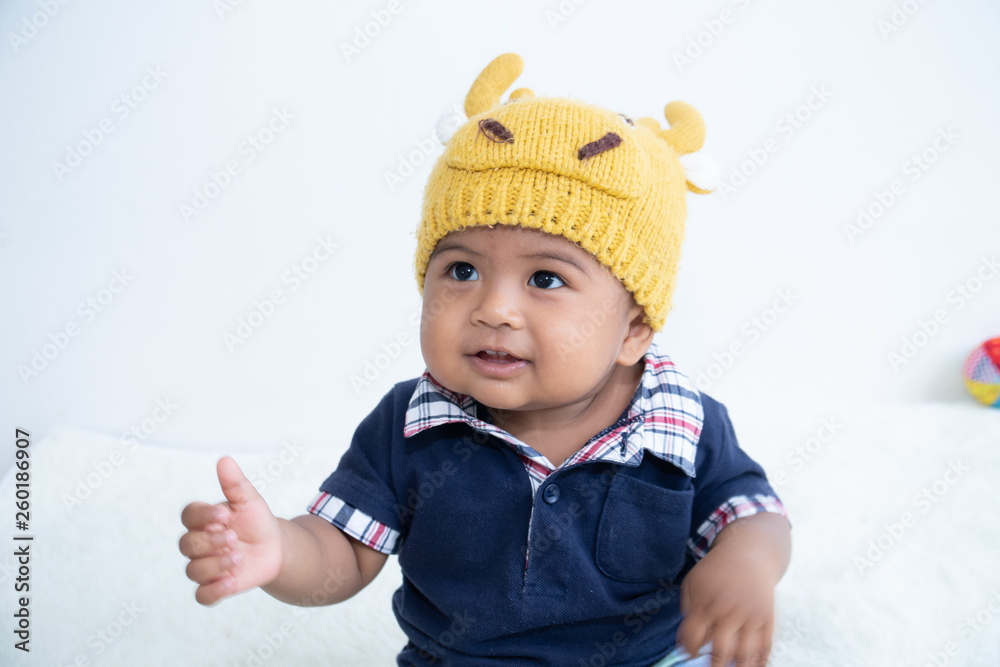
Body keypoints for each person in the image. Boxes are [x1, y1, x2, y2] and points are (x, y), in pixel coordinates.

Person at [179, 52, 792, 667]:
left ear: (633, 330)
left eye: (546, 279)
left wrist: (746, 560)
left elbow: (754, 514)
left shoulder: (679, 426)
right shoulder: (411, 426)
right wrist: (281, 550)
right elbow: (343, 551)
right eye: (462, 270)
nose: (494, 309)